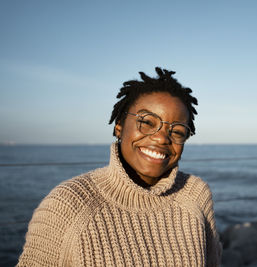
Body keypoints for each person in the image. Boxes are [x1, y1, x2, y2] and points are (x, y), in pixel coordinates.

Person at [17, 67, 221, 266]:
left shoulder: (194, 194)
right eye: (147, 122)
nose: (161, 138)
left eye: (176, 131)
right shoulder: (68, 204)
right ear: (119, 128)